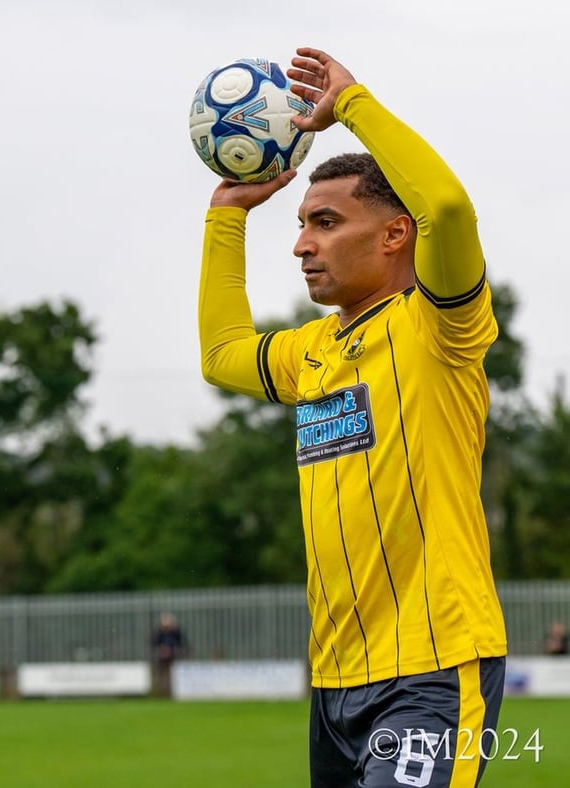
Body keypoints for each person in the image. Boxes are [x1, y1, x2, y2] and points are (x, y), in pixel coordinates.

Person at [198, 47, 507, 787]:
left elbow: (450, 209)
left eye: (327, 222)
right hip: (335, 684)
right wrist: (226, 215)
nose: (302, 242)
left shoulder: (440, 329)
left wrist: (354, 105)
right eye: (302, 224)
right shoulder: (311, 352)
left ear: (397, 234)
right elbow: (222, 354)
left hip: (432, 672)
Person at [150, 613, 188, 697]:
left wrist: (173, 650)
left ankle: (174, 692)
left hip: (174, 657)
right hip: (160, 659)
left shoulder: (176, 633)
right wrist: (161, 650)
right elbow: (153, 644)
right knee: (161, 676)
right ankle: (160, 692)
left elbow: (182, 644)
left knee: (174, 676)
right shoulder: (158, 633)